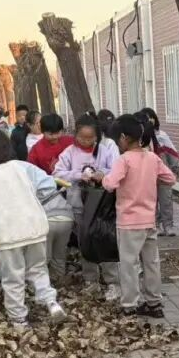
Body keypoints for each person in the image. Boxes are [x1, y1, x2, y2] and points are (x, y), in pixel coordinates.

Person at [0, 129, 68, 330]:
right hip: (35, 228)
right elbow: (48, 185)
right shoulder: (23, 167)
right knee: (38, 269)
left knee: (13, 277)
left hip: (8, 235)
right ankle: (51, 302)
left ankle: (19, 319)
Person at [103, 114, 176, 316]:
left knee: (129, 264)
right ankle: (154, 303)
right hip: (149, 220)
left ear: (124, 137)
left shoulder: (124, 160)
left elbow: (110, 184)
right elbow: (170, 178)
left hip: (128, 222)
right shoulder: (152, 158)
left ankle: (130, 304)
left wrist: (102, 178)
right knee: (151, 263)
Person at [55, 113, 121, 298]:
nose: (86, 141)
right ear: (75, 134)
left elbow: (116, 170)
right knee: (85, 242)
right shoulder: (69, 152)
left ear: (97, 136)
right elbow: (57, 174)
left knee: (106, 240)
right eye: (82, 137)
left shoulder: (105, 150)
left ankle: (112, 281)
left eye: (90, 138)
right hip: (79, 204)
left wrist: (102, 173)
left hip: (102, 205)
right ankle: (90, 279)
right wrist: (78, 175)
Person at [142, 107, 179, 236]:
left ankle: (168, 226)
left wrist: (175, 169)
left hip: (163, 174)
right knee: (152, 202)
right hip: (148, 176)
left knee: (166, 201)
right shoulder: (141, 138)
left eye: (151, 117)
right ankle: (156, 225)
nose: (149, 121)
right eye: (146, 119)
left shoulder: (162, 135)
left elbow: (172, 153)